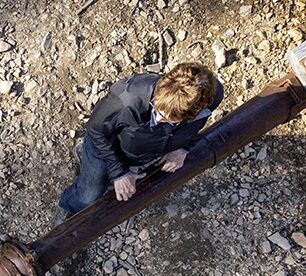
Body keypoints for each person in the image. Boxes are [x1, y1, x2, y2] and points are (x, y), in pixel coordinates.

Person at [56, 62, 223, 222]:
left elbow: (198, 123)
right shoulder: (127, 97)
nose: (157, 119)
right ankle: (69, 207)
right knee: (89, 195)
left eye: (167, 119)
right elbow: (96, 130)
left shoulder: (212, 96)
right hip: (106, 148)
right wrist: (119, 173)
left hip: (143, 152)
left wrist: (184, 148)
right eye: (157, 110)